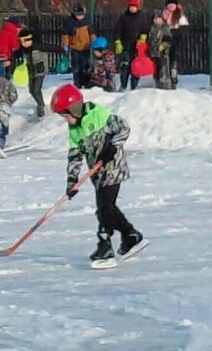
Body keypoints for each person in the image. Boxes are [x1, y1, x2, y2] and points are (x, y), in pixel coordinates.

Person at [51, 83, 147, 269]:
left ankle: (105, 246)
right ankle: (131, 236)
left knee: (104, 208)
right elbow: (75, 156)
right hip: (97, 173)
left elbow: (123, 128)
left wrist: (112, 147)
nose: (65, 120)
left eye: (65, 116)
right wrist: (72, 181)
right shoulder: (75, 130)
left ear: (74, 109)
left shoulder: (99, 114)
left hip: (113, 166)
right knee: (107, 208)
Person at [13, 27, 62, 119]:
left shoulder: (38, 46)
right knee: (31, 90)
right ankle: (41, 103)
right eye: (22, 42)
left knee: (36, 89)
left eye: (25, 42)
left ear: (30, 40)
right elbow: (15, 55)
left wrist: (62, 50)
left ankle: (41, 106)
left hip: (40, 70)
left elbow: (50, 48)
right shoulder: (22, 49)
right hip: (30, 71)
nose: (24, 44)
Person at [113, 0, 150, 91]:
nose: (132, 8)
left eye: (134, 6)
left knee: (136, 68)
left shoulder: (142, 17)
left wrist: (143, 36)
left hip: (137, 48)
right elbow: (118, 31)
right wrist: (118, 41)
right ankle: (123, 85)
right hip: (125, 46)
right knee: (125, 66)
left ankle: (134, 86)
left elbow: (145, 29)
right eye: (131, 6)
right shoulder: (123, 18)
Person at [62, 3, 96, 88]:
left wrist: (94, 41)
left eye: (81, 15)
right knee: (76, 66)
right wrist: (66, 44)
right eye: (78, 15)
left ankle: (86, 82)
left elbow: (92, 33)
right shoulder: (70, 22)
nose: (79, 17)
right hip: (75, 47)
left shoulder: (87, 22)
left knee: (85, 65)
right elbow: (65, 34)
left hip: (85, 47)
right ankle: (77, 83)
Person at [161, 0, 189, 89]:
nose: (171, 6)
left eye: (173, 4)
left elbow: (183, 28)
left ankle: (173, 77)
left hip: (176, 37)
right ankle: (165, 76)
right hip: (165, 38)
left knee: (173, 58)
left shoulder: (179, 15)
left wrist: (177, 35)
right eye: (169, 4)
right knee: (164, 58)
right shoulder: (164, 14)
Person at [147, 14, 173, 90]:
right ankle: (156, 82)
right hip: (153, 52)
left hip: (163, 53)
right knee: (155, 68)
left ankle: (165, 84)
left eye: (159, 19)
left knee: (164, 68)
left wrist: (163, 45)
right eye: (155, 19)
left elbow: (168, 39)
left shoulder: (165, 28)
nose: (157, 21)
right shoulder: (151, 28)